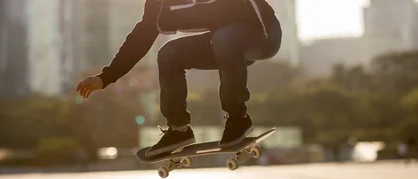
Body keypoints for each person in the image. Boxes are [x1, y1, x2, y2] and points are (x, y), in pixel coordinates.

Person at [76, 0, 282, 157]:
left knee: (223, 38)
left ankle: (238, 117)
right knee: (169, 54)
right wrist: (105, 77)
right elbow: (140, 38)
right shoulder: (160, 6)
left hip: (262, 33)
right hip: (224, 44)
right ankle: (178, 129)